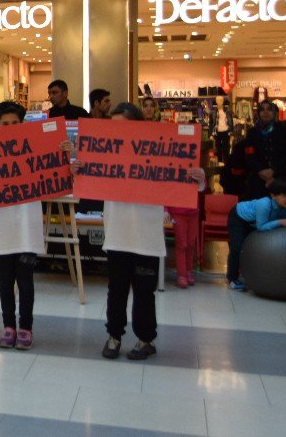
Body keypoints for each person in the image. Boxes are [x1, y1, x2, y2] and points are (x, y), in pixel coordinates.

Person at [77, 102, 207, 361]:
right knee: (116, 290)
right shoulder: (104, 155)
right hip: (117, 236)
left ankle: (146, 339)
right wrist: (78, 170)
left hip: (146, 238)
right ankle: (114, 336)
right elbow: (83, 180)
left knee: (144, 292)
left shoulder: (157, 151)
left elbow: (192, 188)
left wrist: (198, 178)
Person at [0, 102, 53, 350]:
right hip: (3, 226)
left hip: (27, 225)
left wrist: (64, 153)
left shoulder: (35, 148)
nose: (10, 128)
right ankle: (8, 326)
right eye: (4, 124)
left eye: (15, 123)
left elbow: (53, 169)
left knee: (25, 281)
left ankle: (26, 327)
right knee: (4, 282)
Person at [226, 178, 286, 291]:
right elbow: (261, 227)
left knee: (252, 249)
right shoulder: (264, 204)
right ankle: (232, 278)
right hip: (239, 218)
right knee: (237, 247)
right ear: (273, 195)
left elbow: (285, 224)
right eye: (284, 195)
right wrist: (281, 222)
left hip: (257, 222)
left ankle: (248, 275)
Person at [243, 101, 286, 200]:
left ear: (275, 112)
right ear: (258, 113)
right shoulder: (252, 132)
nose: (266, 112)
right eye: (262, 110)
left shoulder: (285, 131)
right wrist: (261, 170)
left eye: (269, 109)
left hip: (282, 177)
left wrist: (273, 170)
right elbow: (249, 155)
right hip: (258, 178)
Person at [209, 96, 234, 164]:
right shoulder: (213, 111)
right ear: (216, 101)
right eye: (218, 100)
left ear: (223, 101)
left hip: (226, 131)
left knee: (226, 148)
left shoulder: (228, 110)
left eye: (221, 100)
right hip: (217, 132)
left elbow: (231, 122)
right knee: (218, 148)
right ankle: (219, 163)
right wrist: (210, 134)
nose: (220, 102)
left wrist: (232, 133)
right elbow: (211, 124)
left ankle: (227, 163)